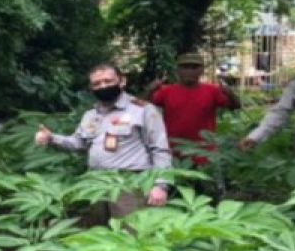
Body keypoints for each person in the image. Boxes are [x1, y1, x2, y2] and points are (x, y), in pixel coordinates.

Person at [34, 63, 172, 221]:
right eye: (97, 83)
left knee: (131, 234)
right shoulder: (91, 115)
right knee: (98, 234)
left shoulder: (143, 110)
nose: (103, 86)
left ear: (122, 81)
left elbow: (160, 149)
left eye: (108, 81)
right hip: (96, 183)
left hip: (129, 184)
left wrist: (161, 185)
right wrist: (52, 138)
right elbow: (79, 142)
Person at [146, 52, 240, 166]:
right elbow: (143, 108)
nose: (190, 71)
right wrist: (149, 90)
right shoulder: (166, 91)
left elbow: (235, 107)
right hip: (173, 150)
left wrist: (230, 94)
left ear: (201, 70)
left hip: (204, 152)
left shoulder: (212, 90)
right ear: (178, 70)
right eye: (185, 67)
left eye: (194, 67)